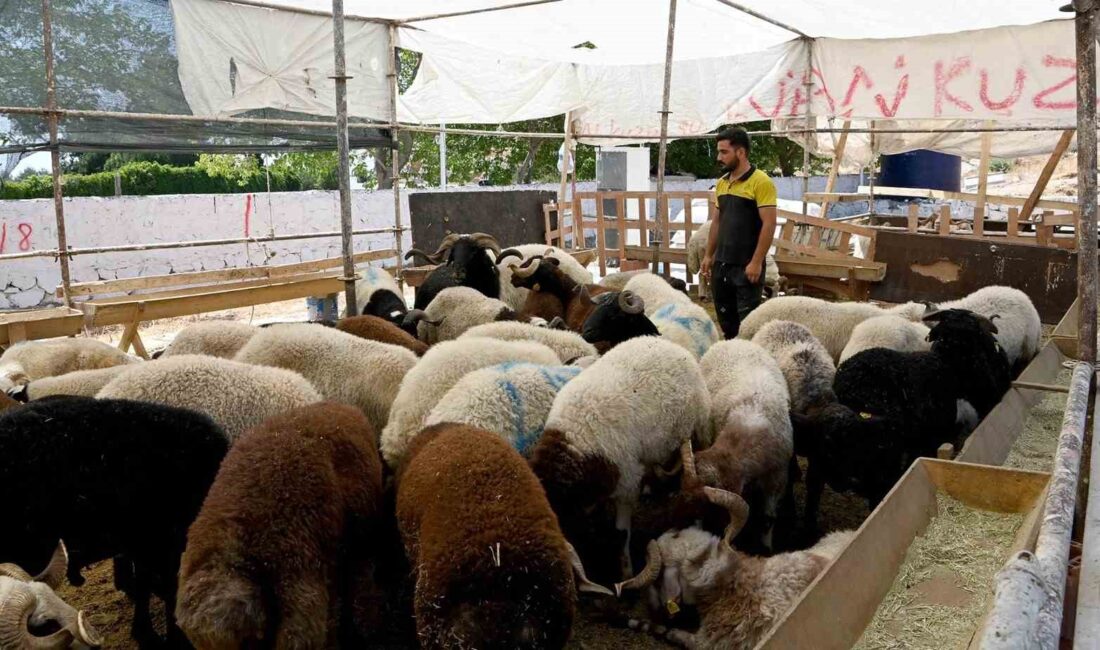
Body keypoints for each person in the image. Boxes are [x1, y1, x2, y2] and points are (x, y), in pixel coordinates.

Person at [699, 128, 778, 339]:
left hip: (746, 266)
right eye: (719, 152)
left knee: (749, 325)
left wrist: (756, 262)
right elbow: (716, 222)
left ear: (741, 152)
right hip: (722, 265)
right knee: (727, 324)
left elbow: (769, 224)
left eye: (724, 152)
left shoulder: (761, 182)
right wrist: (708, 255)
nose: (719, 157)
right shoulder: (722, 183)